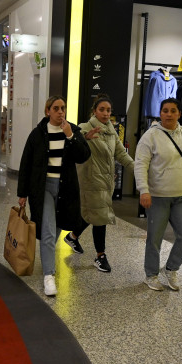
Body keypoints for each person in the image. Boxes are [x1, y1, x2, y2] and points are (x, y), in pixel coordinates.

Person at [17, 96, 91, 296]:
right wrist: (22, 193)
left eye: (63, 108)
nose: (60, 112)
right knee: (48, 231)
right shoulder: (37, 134)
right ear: (47, 111)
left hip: (65, 188)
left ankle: (47, 258)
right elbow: (26, 164)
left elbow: (84, 155)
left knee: (57, 228)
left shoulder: (72, 130)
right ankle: (49, 275)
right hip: (43, 188)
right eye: (56, 108)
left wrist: (70, 137)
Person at [134, 98, 182, 291]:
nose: (169, 114)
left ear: (179, 114)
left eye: (173, 111)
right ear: (160, 114)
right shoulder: (150, 136)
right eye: (165, 111)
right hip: (157, 196)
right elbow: (140, 164)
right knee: (154, 238)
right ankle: (151, 274)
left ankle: (171, 268)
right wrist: (144, 190)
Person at [64, 94, 134, 273]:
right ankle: (100, 255)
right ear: (94, 110)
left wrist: (137, 170)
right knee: (100, 217)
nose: (105, 113)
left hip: (106, 181)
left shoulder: (111, 131)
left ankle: (72, 236)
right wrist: (84, 138)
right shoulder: (83, 128)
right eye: (101, 109)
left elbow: (121, 154)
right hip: (90, 180)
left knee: (93, 214)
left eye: (108, 110)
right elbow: (73, 147)